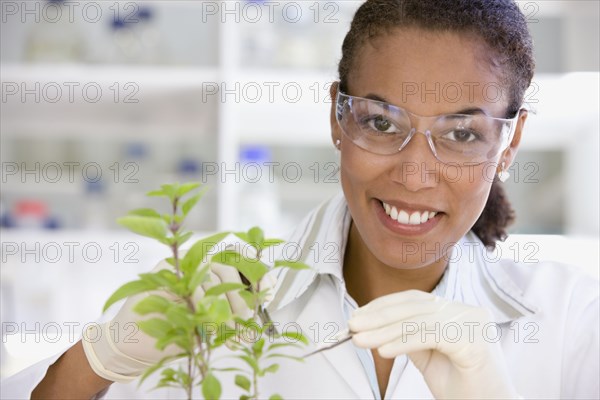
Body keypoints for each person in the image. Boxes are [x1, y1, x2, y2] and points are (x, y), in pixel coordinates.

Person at [5, 0, 599, 398]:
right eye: (382, 122)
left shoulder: (573, 317)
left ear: (510, 140)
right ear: (338, 118)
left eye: (463, 133)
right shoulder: (220, 303)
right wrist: (100, 357)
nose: (416, 175)